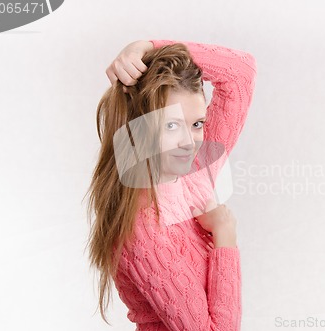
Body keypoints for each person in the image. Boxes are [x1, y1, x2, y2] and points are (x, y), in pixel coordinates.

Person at [84, 39, 257, 331]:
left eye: (197, 124)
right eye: (171, 125)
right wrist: (224, 234)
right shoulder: (142, 228)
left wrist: (147, 47)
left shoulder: (194, 169)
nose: (189, 143)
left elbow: (241, 73)